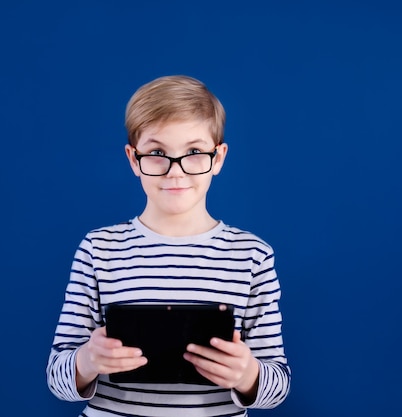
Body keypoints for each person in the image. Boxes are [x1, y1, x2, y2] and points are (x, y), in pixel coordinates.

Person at [46, 75, 290, 416]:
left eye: (193, 152)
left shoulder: (252, 256)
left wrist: (248, 374)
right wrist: (86, 360)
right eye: (158, 153)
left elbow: (276, 387)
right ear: (134, 159)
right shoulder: (98, 249)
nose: (176, 172)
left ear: (217, 158)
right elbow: (58, 379)